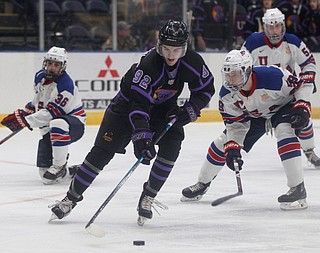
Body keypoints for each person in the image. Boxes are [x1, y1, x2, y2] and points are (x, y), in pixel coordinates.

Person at [48, 20, 215, 225]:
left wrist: (190, 110)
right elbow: (138, 105)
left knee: (173, 142)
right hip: (125, 109)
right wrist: (142, 137)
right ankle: (70, 200)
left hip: (162, 111)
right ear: (159, 46)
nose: (172, 55)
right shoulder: (149, 65)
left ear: (185, 48)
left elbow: (205, 89)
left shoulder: (193, 62)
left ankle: (148, 196)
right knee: (101, 153)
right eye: (167, 49)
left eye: (177, 50)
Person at [181, 49, 311, 210]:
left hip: (283, 108)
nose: (230, 79)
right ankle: (202, 183)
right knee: (222, 143)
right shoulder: (227, 95)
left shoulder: (273, 76)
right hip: (256, 117)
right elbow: (235, 126)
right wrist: (233, 148)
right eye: (228, 74)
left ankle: (298, 188)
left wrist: (302, 106)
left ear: (247, 70)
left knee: (284, 130)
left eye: (234, 74)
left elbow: (301, 86)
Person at [242, 8, 319, 168]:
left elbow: (309, 63)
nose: (274, 30)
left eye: (277, 26)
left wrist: (305, 82)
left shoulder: (293, 41)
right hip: (261, 97)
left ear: (283, 25)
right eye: (270, 27)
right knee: (242, 129)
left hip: (287, 94)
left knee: (303, 117)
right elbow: (240, 66)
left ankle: (309, 151)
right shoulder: (253, 42)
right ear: (264, 26)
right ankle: (233, 148)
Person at [0, 46, 86, 185]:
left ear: (63, 66)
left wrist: (25, 121)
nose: (52, 68)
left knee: (58, 123)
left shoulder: (65, 86)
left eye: (56, 65)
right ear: (45, 63)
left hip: (73, 125)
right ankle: (72, 172)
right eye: (50, 63)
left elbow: (51, 113)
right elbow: (38, 101)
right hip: (50, 128)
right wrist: (25, 113)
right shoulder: (40, 76)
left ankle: (59, 165)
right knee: (46, 178)